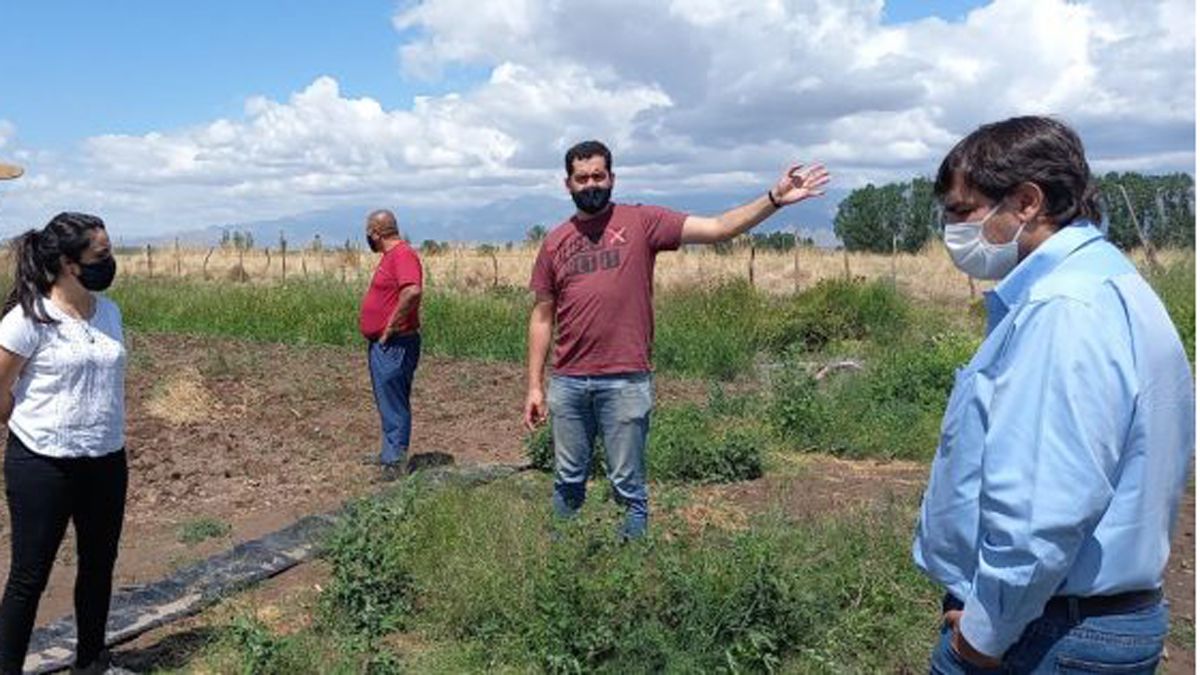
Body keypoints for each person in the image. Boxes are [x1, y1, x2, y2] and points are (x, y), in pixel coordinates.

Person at [913, 116, 1194, 673]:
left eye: (962, 211)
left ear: (1025, 202)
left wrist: (981, 636)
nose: (951, 230)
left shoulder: (1064, 310)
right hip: (1089, 620)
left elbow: (1043, 508)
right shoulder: (1111, 282)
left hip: (1050, 630)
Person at [524, 140, 829, 538]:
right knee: (567, 480)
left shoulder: (642, 222)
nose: (591, 184)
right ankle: (562, 569)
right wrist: (535, 385)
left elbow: (719, 228)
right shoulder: (556, 241)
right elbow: (542, 315)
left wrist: (773, 199)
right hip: (568, 381)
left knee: (628, 487)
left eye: (599, 175)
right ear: (568, 184)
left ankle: (629, 575)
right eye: (582, 179)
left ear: (612, 178)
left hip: (625, 379)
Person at [0, 212, 127, 675]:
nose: (110, 262)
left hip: (107, 458)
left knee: (99, 565)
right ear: (69, 263)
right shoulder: (29, 318)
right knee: (30, 576)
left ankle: (91, 660)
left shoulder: (109, 312)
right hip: (42, 464)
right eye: (102, 254)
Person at [359, 209, 423, 482]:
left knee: (394, 401)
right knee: (387, 399)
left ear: (376, 232)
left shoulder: (402, 255)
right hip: (386, 343)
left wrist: (390, 328)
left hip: (395, 344)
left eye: (368, 232)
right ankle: (389, 452)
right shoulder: (391, 257)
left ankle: (395, 461)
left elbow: (412, 291)